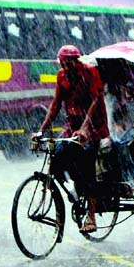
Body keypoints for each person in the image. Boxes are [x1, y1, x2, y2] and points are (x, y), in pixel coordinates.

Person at [33, 45, 109, 233]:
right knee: (56, 157)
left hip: (93, 125)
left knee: (87, 168)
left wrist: (85, 127)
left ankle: (91, 217)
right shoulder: (61, 76)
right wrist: (41, 131)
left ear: (77, 61)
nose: (66, 67)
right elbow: (56, 104)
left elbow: (95, 100)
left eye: (69, 63)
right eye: (63, 64)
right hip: (72, 125)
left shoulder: (89, 72)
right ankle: (75, 189)